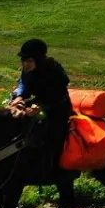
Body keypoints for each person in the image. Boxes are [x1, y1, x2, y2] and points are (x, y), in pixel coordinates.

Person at [10, 38, 72, 171]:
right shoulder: (27, 69)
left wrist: (42, 107)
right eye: (23, 60)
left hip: (58, 107)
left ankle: (54, 168)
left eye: (29, 61)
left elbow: (58, 96)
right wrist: (19, 96)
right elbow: (23, 84)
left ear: (39, 59)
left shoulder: (54, 70)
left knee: (51, 134)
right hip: (38, 102)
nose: (25, 64)